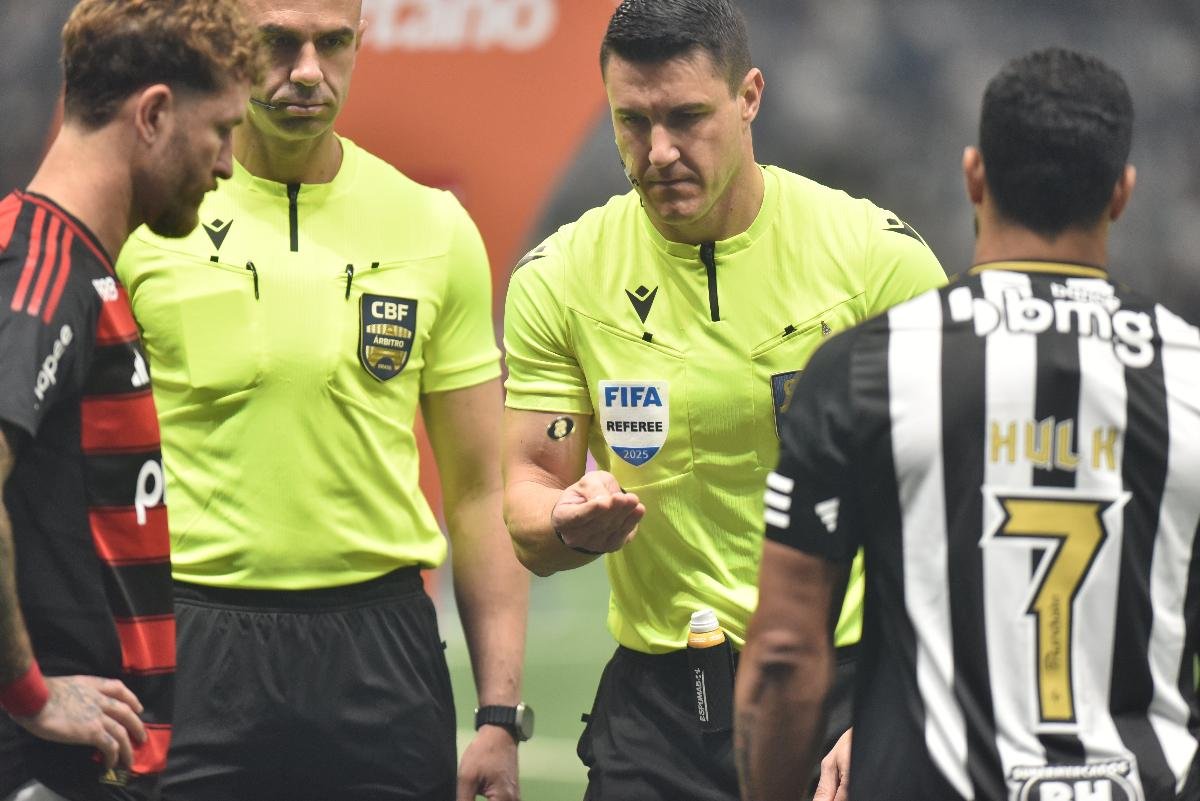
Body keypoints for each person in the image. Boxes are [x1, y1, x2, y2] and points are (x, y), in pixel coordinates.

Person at [501, 1, 945, 799]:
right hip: (659, 707)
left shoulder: (878, 262)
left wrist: (896, 699)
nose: (659, 150)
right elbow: (530, 495)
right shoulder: (559, 280)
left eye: (687, 117)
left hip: (844, 688)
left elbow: (947, 509)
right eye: (631, 122)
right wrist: (566, 522)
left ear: (749, 98)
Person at [736, 46, 1200, 801]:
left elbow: (785, 651)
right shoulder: (1190, 373)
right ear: (1121, 192)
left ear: (974, 176)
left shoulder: (868, 370)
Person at [112, 0, 531, 798]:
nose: (308, 70)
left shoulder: (434, 226)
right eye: (279, 42)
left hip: (381, 648)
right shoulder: (147, 218)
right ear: (228, 43)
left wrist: (499, 714)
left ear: (361, 39)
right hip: (190, 639)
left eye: (332, 42)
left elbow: (482, 491)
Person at [0, 1, 256, 800]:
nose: (225, 165)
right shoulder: (39, 270)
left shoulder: (75, 263)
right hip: (44, 768)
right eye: (220, 131)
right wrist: (31, 696)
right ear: (153, 115)